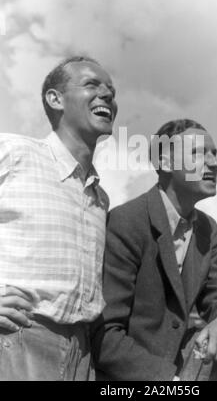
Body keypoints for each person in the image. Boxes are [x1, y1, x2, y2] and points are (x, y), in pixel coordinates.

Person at [91, 118, 217, 381]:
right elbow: (105, 334)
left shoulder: (207, 229)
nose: (214, 163)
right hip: (133, 375)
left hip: (188, 359)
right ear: (165, 163)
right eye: (199, 153)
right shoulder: (127, 221)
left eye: (214, 153)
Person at [0, 55, 117, 380]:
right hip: (16, 340)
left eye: (111, 90)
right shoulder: (13, 153)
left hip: (81, 355)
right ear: (55, 99)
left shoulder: (100, 198)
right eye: (92, 84)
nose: (107, 94)